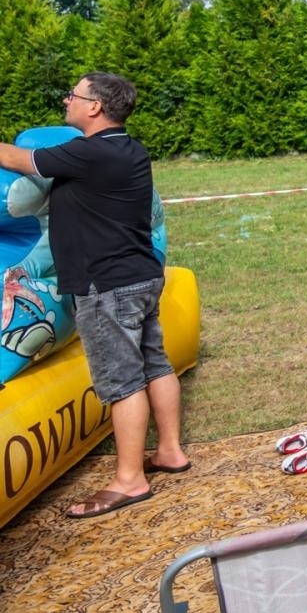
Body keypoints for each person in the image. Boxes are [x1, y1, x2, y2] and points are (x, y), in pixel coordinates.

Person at [0, 73, 189, 518]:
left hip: (107, 287)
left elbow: (16, 157)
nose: (67, 100)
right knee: (155, 363)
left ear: (95, 107)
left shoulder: (87, 154)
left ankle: (130, 480)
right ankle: (170, 451)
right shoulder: (130, 149)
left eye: (74, 95)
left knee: (120, 381)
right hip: (140, 277)